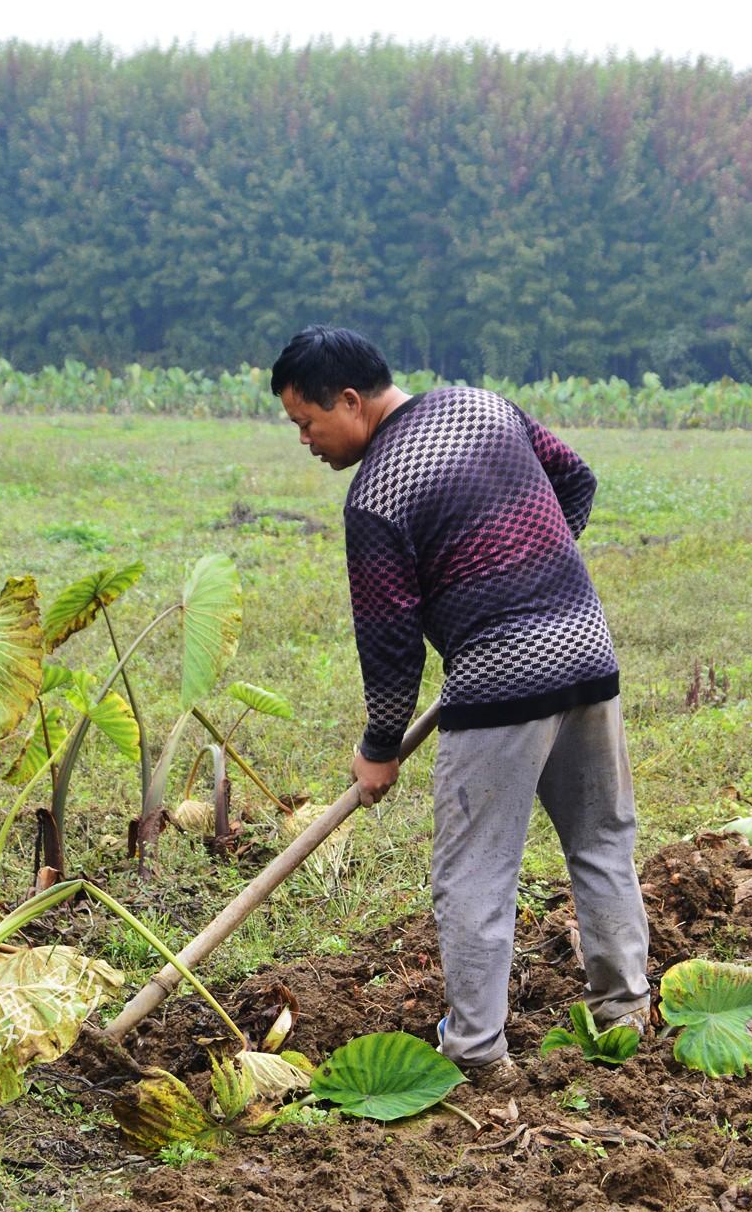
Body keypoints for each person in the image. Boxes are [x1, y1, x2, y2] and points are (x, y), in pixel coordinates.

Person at [271, 325, 652, 1084]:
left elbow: (390, 643)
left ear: (349, 401)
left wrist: (380, 746)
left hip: (502, 686)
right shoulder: (484, 407)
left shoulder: (376, 495)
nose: (305, 441)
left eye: (306, 423)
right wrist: (534, 568)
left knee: (475, 872)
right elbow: (576, 480)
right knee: (603, 839)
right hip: (586, 650)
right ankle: (626, 1011)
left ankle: (476, 1051)